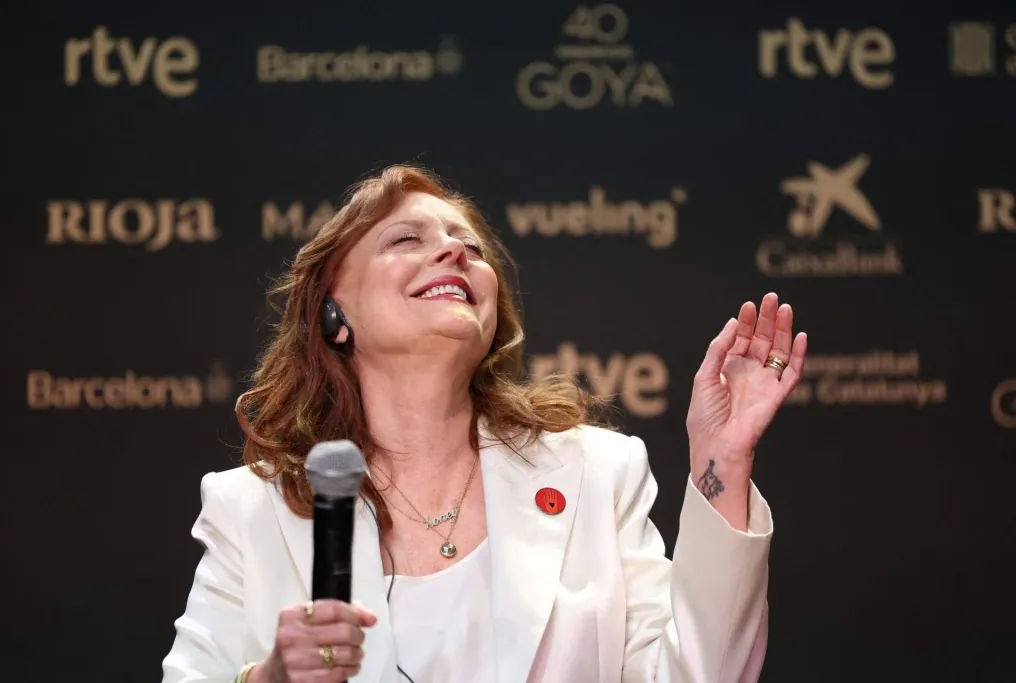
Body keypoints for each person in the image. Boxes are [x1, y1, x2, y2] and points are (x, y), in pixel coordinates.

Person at [161, 165, 807, 683]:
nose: (454, 251)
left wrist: (722, 462)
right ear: (334, 312)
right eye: (406, 239)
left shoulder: (597, 471)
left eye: (470, 247)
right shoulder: (250, 509)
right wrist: (269, 678)